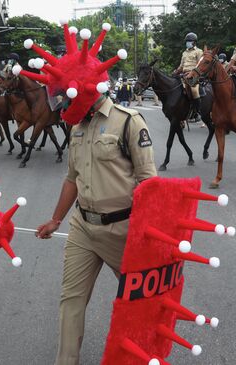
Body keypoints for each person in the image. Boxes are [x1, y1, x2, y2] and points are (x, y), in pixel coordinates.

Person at [35, 95, 157, 365]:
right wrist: (56, 219)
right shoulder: (77, 126)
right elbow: (72, 178)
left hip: (122, 230)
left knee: (139, 302)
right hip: (82, 227)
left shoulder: (129, 122)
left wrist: (145, 234)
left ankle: (144, 355)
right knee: (71, 300)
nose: (64, 108)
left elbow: (149, 182)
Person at [173, 32, 204, 123]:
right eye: (187, 41)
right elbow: (181, 66)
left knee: (194, 90)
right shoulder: (184, 53)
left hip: (194, 75)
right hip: (184, 75)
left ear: (194, 42)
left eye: (190, 41)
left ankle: (198, 113)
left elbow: (200, 66)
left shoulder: (199, 52)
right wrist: (175, 72)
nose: (188, 42)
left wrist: (193, 73)